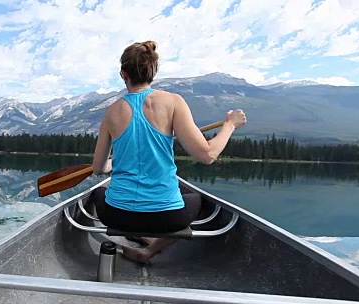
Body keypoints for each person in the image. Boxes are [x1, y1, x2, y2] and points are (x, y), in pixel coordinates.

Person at [91, 40, 247, 263]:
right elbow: (207, 155)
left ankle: (143, 239)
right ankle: (150, 249)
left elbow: (98, 169)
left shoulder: (111, 112)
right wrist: (230, 125)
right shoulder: (173, 102)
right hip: (167, 219)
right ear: (153, 71)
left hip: (117, 217)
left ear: (123, 74)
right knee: (197, 200)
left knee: (98, 194)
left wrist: (113, 163)